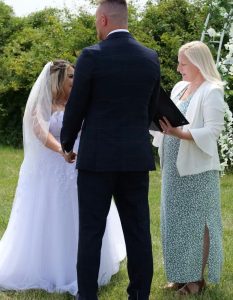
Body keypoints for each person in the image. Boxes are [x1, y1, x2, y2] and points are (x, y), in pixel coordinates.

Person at [60, 1, 160, 299]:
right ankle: (140, 294)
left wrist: (66, 144)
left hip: (96, 160)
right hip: (135, 158)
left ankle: (87, 295)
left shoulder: (91, 56)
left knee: (91, 231)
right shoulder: (150, 58)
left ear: (103, 19)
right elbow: (150, 109)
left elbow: (76, 107)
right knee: (138, 230)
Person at [0, 60, 126, 295]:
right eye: (69, 76)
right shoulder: (42, 104)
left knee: (82, 214)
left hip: (81, 165)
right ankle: (53, 267)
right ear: (57, 79)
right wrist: (62, 150)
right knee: (52, 214)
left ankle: (85, 265)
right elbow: (40, 132)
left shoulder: (79, 101)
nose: (74, 80)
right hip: (52, 167)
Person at [151, 41, 225, 295]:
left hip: (198, 168)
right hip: (173, 165)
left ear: (197, 63)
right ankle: (179, 275)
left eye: (183, 62)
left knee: (197, 222)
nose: (178, 67)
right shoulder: (179, 87)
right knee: (174, 221)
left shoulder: (212, 90)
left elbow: (213, 131)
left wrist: (179, 134)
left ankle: (196, 280)